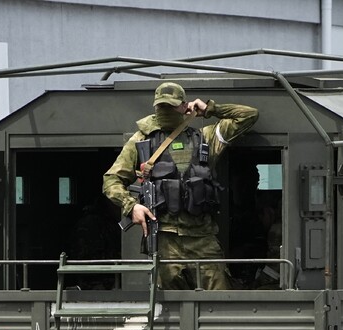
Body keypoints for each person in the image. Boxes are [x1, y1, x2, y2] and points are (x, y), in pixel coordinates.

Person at [103, 81, 258, 290]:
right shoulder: (141, 141)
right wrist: (132, 207)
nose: (166, 110)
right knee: (170, 309)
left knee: (219, 301)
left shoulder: (205, 137)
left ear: (184, 106)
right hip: (165, 239)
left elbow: (248, 115)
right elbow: (111, 180)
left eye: (171, 106)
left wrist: (210, 109)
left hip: (202, 238)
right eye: (161, 106)